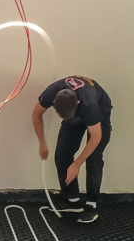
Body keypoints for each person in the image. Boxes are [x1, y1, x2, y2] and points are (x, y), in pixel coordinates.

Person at [32, 76, 112, 223]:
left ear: (78, 104)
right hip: (74, 110)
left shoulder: (90, 104)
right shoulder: (51, 92)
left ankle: (91, 204)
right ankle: (72, 200)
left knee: (93, 157)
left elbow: (96, 137)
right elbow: (36, 114)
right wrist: (42, 142)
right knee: (62, 155)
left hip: (100, 112)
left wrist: (77, 164)